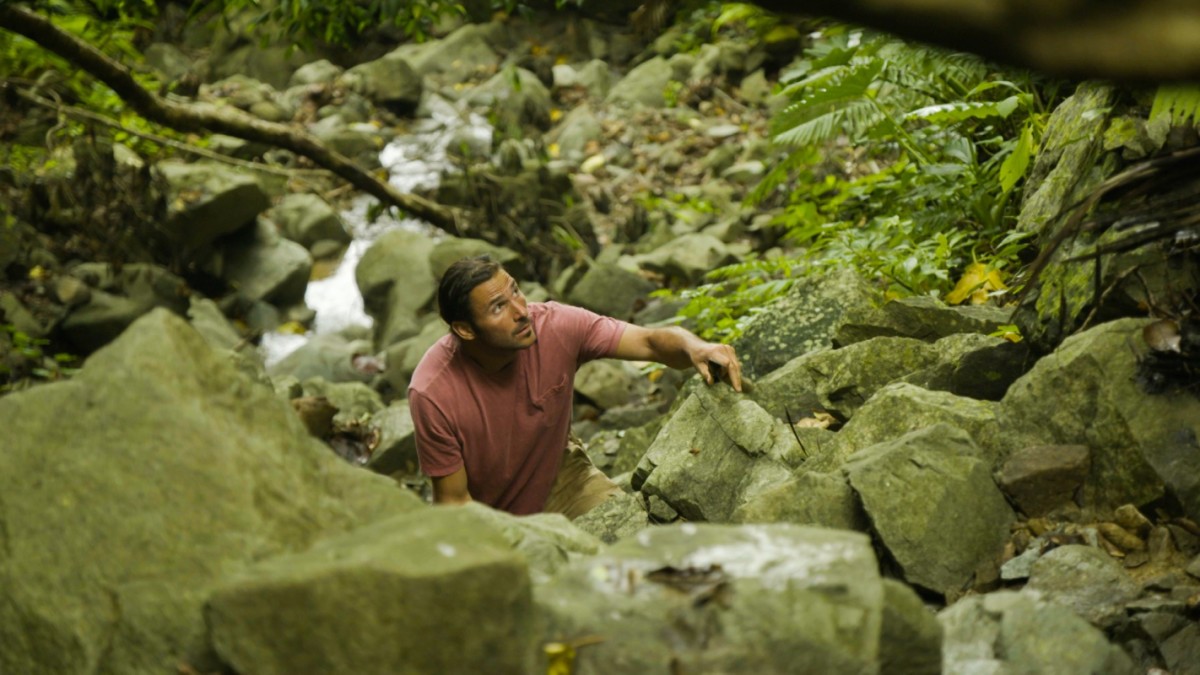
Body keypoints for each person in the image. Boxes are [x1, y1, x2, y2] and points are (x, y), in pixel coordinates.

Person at [408, 255, 742, 518]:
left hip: (564, 479)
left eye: (516, 291)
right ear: (465, 330)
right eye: (498, 307)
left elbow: (650, 342)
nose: (521, 311)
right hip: (491, 515)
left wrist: (695, 346)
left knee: (627, 539)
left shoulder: (556, 326)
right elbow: (454, 503)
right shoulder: (433, 392)